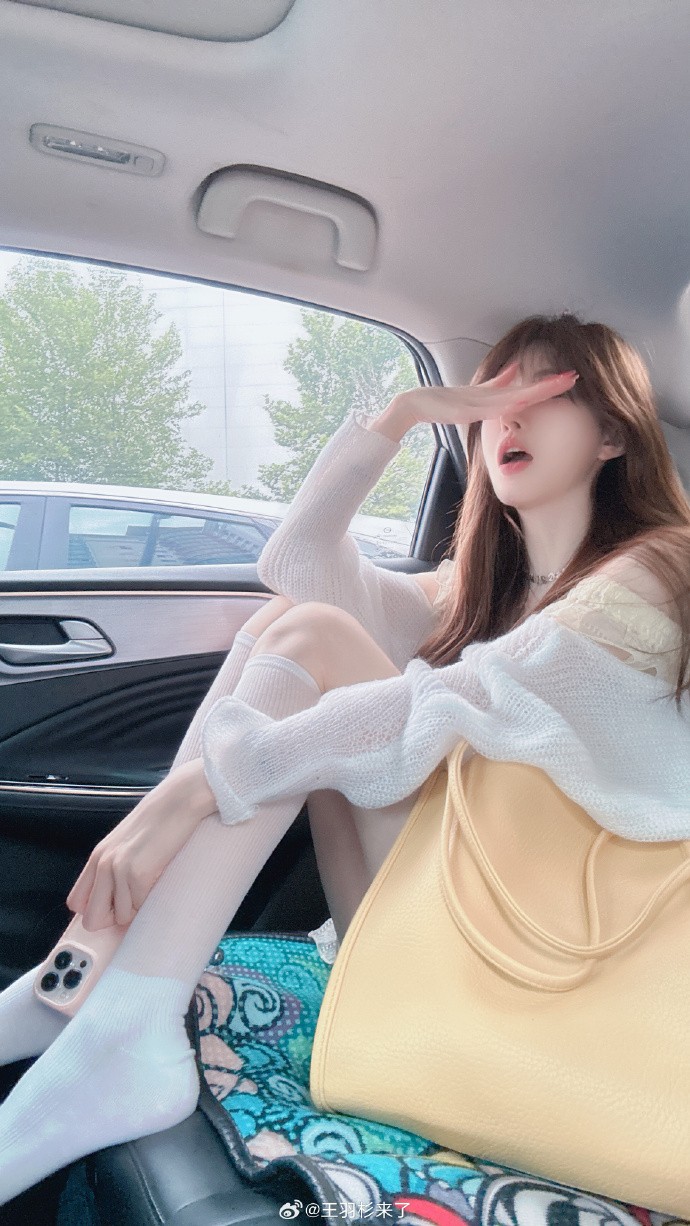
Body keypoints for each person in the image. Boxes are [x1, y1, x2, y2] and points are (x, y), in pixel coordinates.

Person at [0, 313, 688, 1206]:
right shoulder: (474, 591)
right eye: (491, 401)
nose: (507, 419)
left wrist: (192, 790)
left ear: (612, 434)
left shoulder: (659, 571)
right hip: (436, 916)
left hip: (556, 948)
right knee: (289, 624)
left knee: (319, 641)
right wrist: (402, 417)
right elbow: (294, 563)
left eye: (545, 394)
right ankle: (87, 988)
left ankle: (112, 1016)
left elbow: (461, 694)